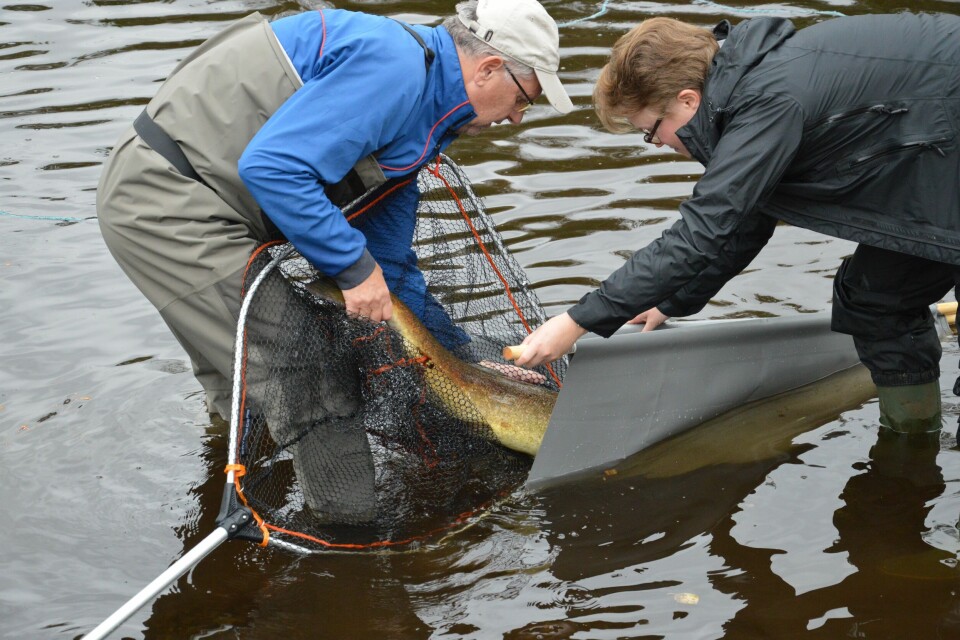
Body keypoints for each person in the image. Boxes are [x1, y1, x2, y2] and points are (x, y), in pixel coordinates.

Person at [97, 0, 573, 420]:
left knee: (246, 387)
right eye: (522, 100)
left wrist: (460, 356)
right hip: (169, 199)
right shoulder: (395, 67)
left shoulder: (423, 114)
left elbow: (391, 266)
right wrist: (352, 269)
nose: (514, 117)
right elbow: (273, 169)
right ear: (488, 68)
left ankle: (248, 489)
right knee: (310, 379)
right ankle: (349, 523)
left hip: (209, 203)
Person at [515, 13, 960, 435]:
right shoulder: (745, 92)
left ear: (688, 100)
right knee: (874, 300)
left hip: (944, 151)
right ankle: (911, 448)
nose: (654, 145)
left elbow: (705, 228)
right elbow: (744, 221)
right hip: (934, 167)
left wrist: (576, 321)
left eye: (650, 131)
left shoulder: (767, 101)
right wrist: (672, 301)